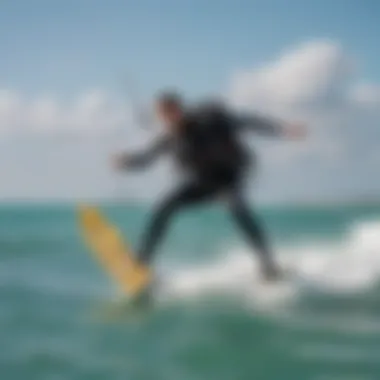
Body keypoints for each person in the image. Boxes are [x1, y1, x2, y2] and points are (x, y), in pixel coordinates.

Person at [113, 91, 306, 281]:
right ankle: (142, 263)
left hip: (228, 179)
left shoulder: (210, 122)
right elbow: (147, 158)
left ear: (179, 109)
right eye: (163, 116)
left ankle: (268, 266)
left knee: (238, 210)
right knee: (163, 208)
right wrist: (126, 162)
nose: (168, 119)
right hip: (201, 184)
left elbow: (247, 122)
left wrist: (282, 130)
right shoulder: (171, 137)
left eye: (170, 112)